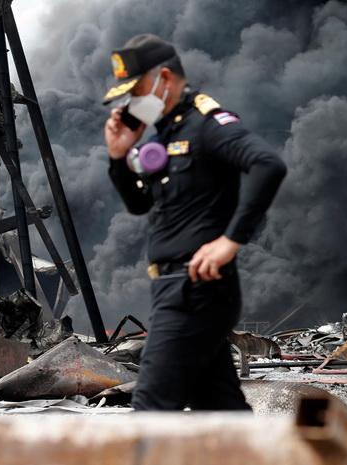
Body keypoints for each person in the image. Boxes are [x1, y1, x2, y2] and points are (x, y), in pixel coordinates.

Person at [102, 34, 286, 410]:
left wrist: (231, 240)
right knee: (219, 409)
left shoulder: (207, 123)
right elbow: (139, 205)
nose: (131, 102)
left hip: (195, 290)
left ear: (164, 78)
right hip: (173, 287)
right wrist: (119, 158)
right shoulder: (166, 135)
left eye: (136, 90)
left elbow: (268, 165)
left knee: (151, 406)